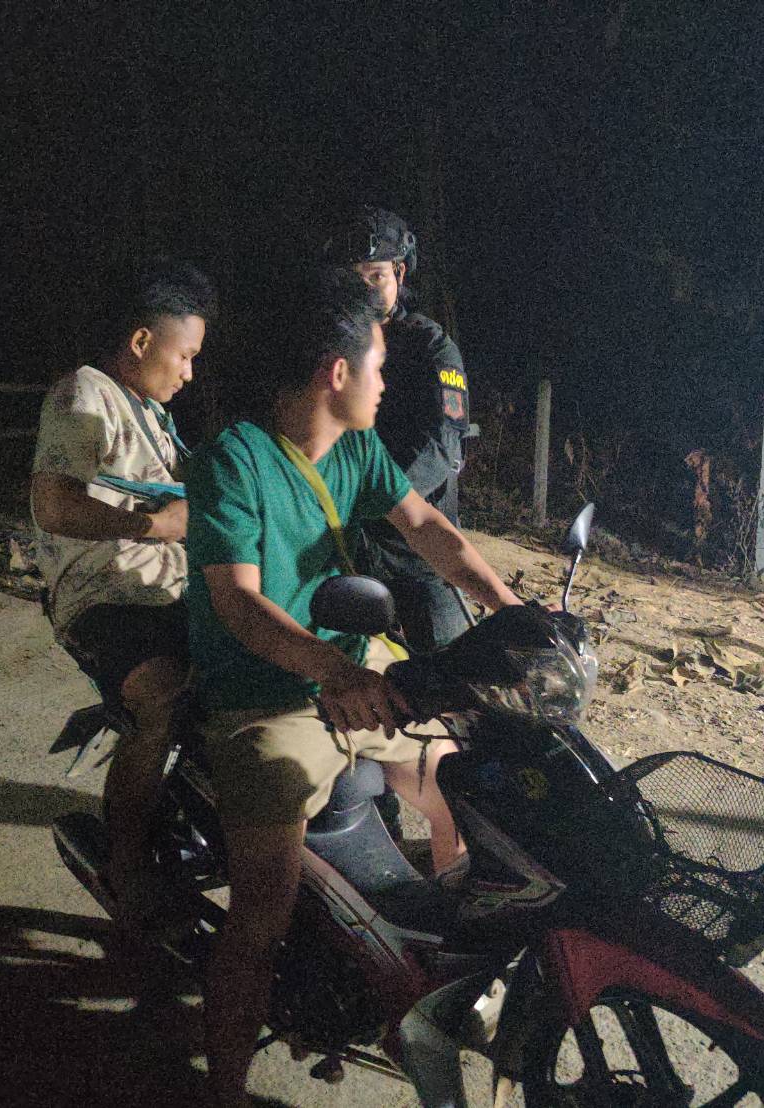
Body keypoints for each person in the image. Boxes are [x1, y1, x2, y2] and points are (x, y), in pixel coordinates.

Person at [185, 269, 521, 1106]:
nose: (385, 383)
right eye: (377, 366)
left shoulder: (358, 451)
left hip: (355, 673)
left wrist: (513, 613)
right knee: (259, 919)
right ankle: (222, 1087)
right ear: (335, 372)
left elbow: (429, 528)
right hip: (264, 698)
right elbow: (238, 601)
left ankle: (433, 975)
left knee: (466, 783)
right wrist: (332, 670)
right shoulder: (234, 461)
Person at [30, 257, 214, 926]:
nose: (188, 372)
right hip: (105, 598)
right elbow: (54, 503)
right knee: (161, 694)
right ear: (141, 341)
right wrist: (153, 525)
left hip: (171, 590)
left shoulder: (154, 416)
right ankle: (125, 863)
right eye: (184, 355)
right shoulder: (85, 393)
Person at [320, 205, 475, 654]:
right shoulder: (329, 345)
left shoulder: (432, 349)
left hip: (415, 543)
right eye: (355, 279)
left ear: (400, 273)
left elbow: (443, 444)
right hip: (344, 540)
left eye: (376, 276)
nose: (365, 290)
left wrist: (380, 498)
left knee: (451, 664)